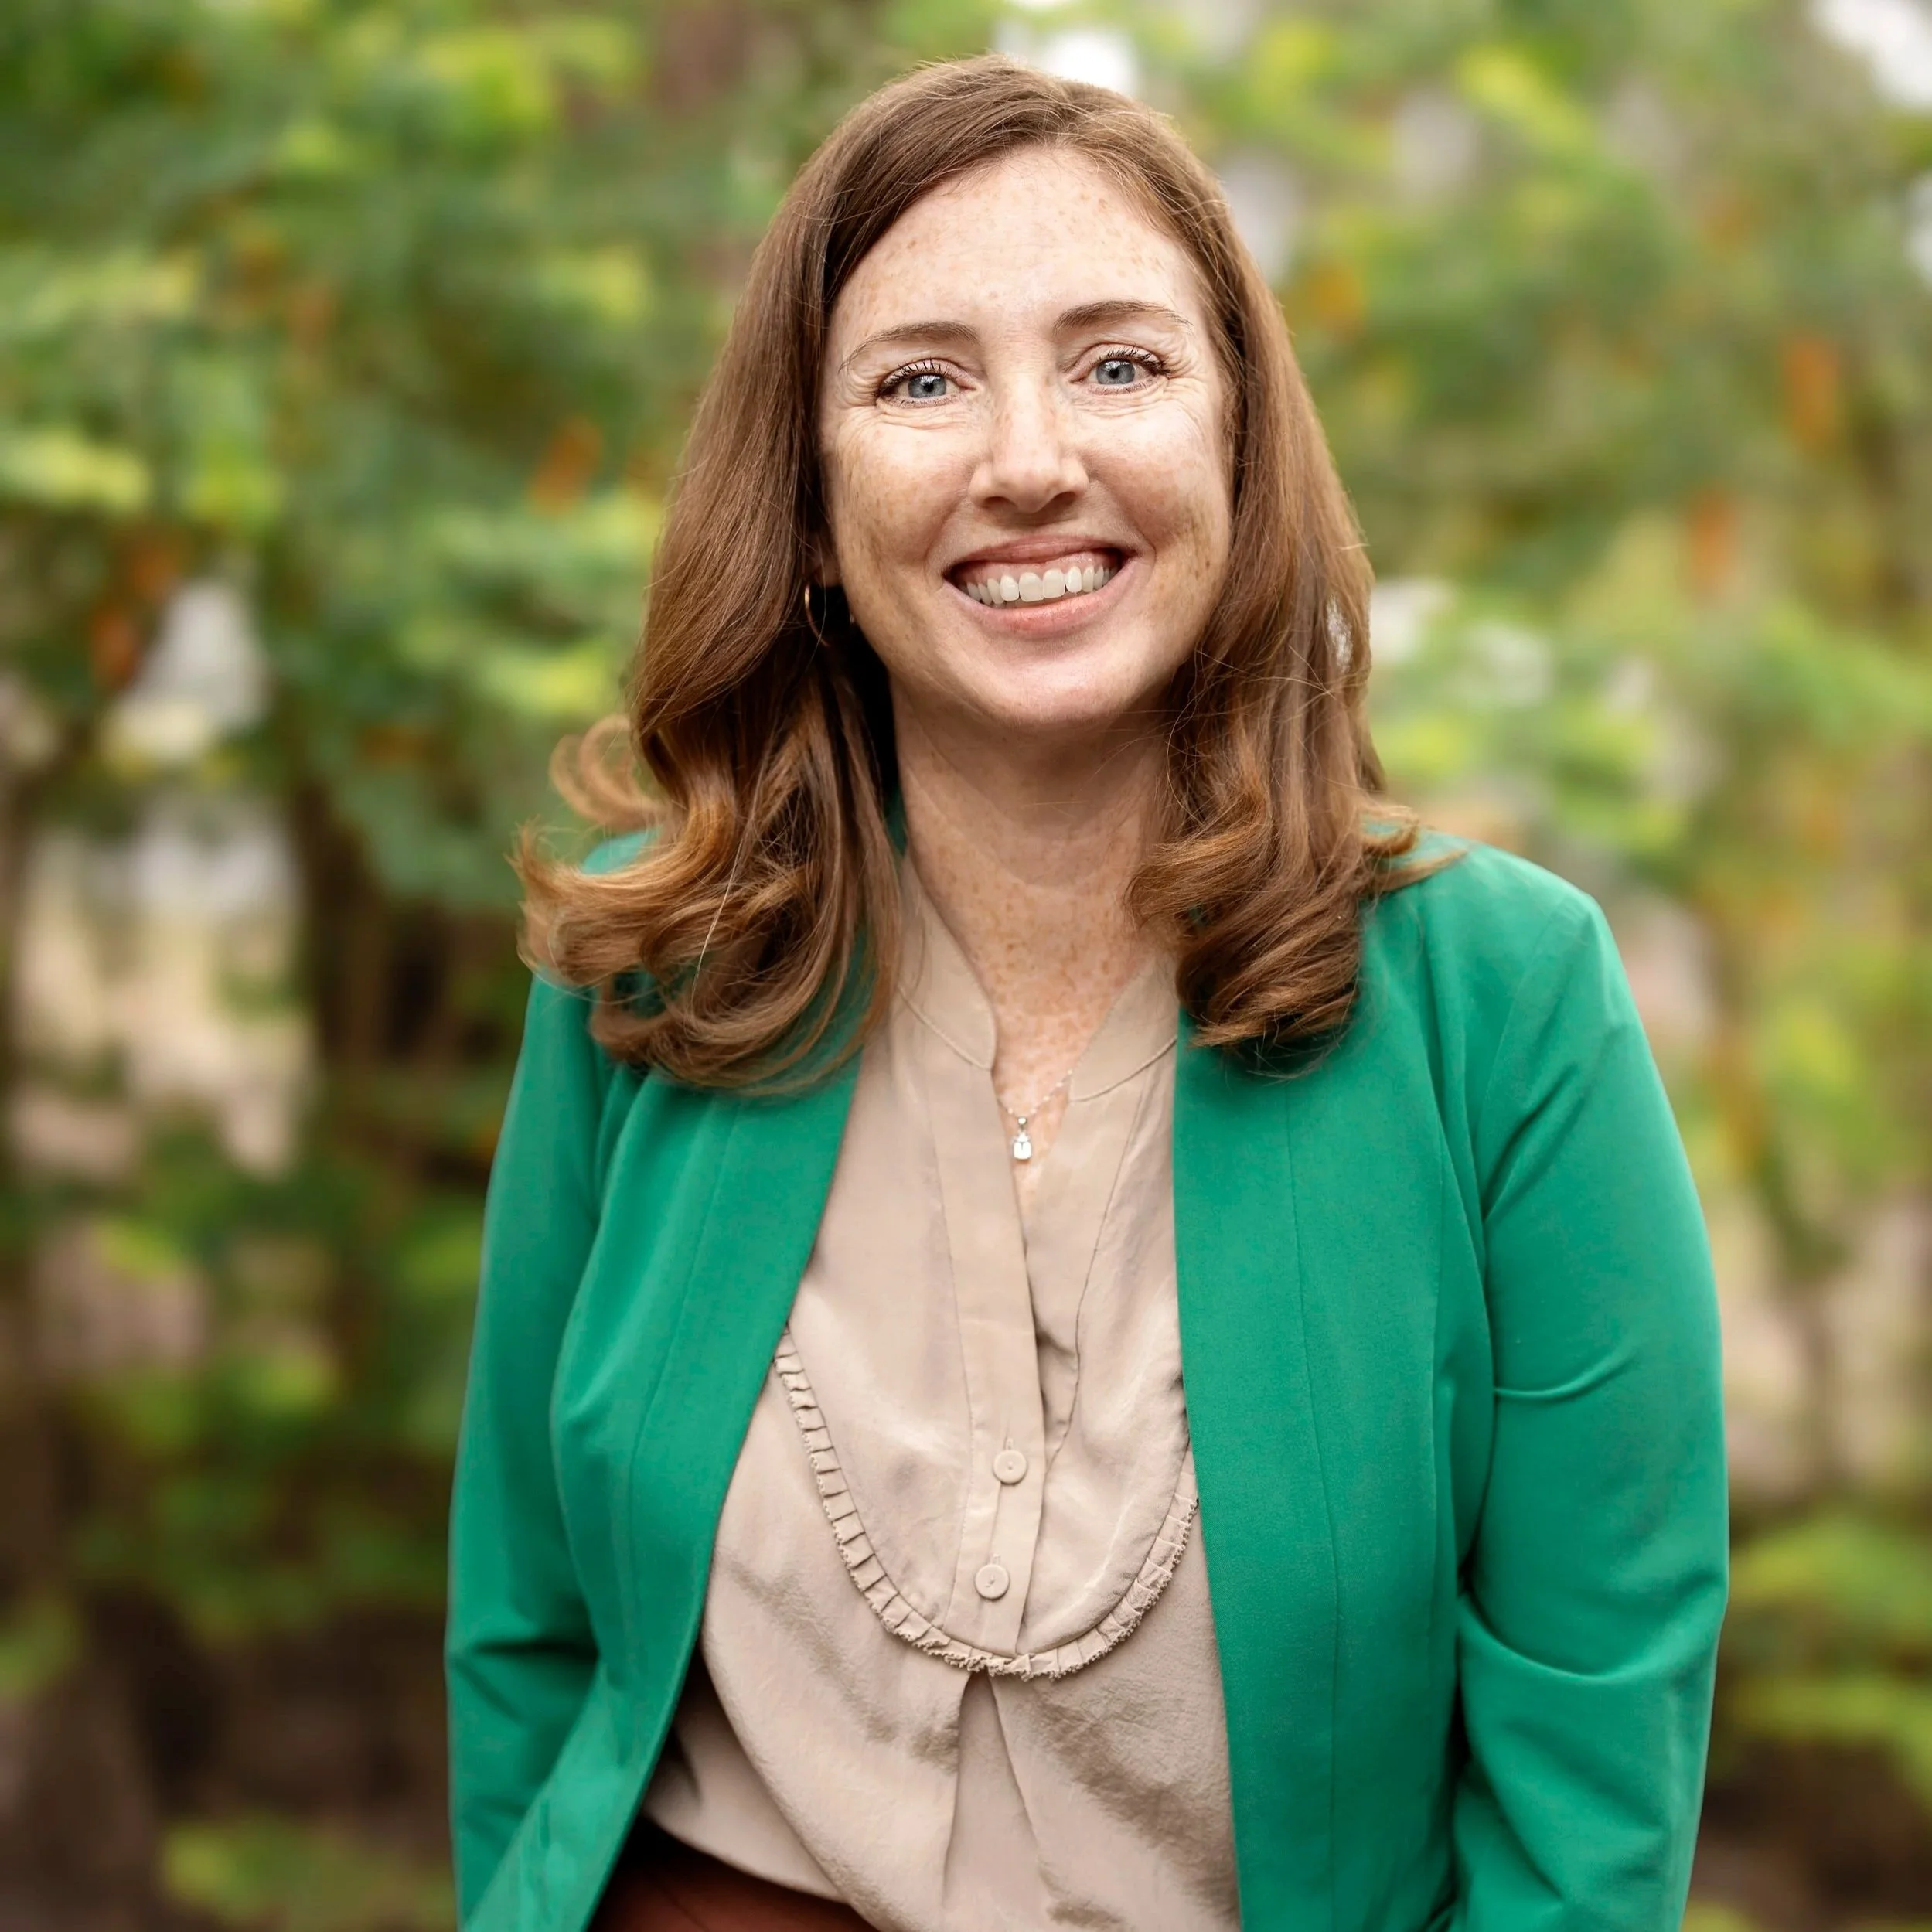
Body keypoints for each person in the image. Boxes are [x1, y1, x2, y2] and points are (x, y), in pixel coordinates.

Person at [445, 53, 1727, 1932]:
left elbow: (1593, 1779)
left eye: (1119, 363)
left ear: (1235, 445)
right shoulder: (652, 976)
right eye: (918, 379)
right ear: (807, 500)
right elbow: (525, 1641)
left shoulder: (1508, 1008)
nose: (1027, 456)